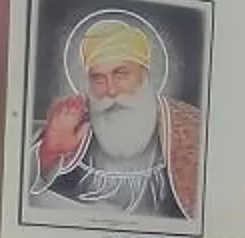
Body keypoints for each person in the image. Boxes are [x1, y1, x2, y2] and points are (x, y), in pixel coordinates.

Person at [30, 13, 201, 223]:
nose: (111, 90)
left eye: (121, 74)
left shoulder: (195, 131)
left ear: (146, 76)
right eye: (98, 79)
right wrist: (50, 151)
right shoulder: (68, 125)